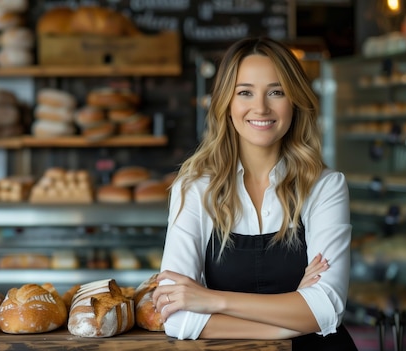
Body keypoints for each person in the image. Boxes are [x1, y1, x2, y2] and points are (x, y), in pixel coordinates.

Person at [152, 36, 357, 350]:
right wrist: (289, 325)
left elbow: (326, 309)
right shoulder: (193, 188)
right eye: (245, 92)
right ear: (227, 103)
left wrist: (210, 300)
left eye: (276, 92)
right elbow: (177, 317)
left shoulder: (325, 187)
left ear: (295, 101)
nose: (261, 107)